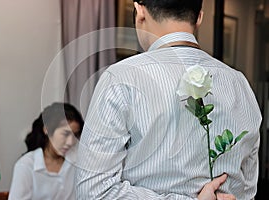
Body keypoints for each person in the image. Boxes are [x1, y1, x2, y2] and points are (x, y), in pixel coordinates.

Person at [75, 0, 261, 199]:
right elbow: (247, 189)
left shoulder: (121, 78)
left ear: (139, 12)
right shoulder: (239, 84)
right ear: (199, 17)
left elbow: (93, 192)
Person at [9, 102, 84, 200]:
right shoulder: (26, 165)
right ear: (47, 129)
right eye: (65, 134)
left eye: (75, 135)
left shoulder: (77, 160)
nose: (71, 142)